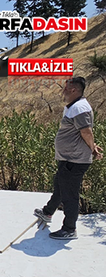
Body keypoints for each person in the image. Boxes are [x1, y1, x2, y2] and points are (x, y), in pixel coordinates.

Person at [34, 77, 103, 240]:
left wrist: (92, 148)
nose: (63, 91)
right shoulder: (75, 106)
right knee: (60, 185)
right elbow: (83, 131)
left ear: (73, 90)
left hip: (75, 160)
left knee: (69, 195)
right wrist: (92, 146)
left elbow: (86, 132)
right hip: (69, 158)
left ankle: (69, 229)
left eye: (65, 88)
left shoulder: (80, 108)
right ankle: (47, 213)